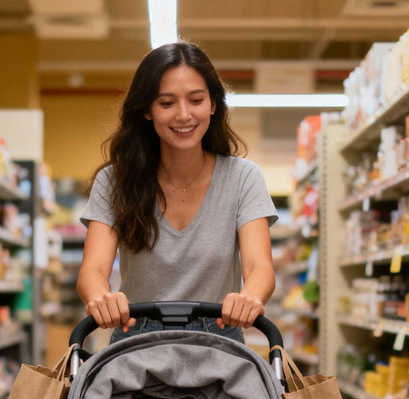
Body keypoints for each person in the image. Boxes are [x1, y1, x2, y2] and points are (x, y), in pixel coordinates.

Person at [78, 41, 278, 344]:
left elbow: (259, 267)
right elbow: (92, 270)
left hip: (219, 339)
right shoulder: (115, 180)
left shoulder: (243, 178)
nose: (183, 115)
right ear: (147, 109)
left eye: (196, 100)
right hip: (136, 341)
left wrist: (249, 298)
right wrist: (100, 298)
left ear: (213, 104)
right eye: (167, 103)